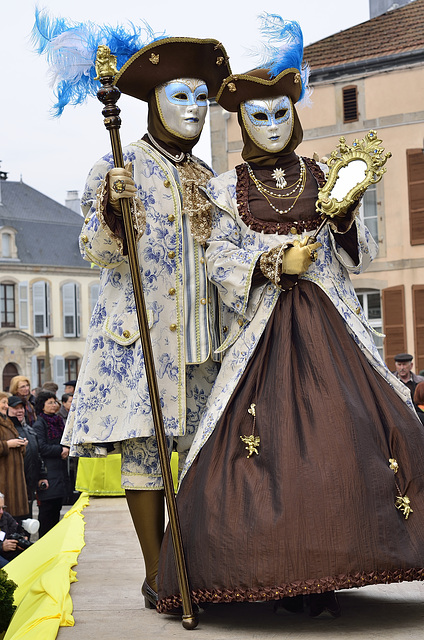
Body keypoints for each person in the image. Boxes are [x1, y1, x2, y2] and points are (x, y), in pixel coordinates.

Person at [157, 16, 424, 618]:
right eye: (259, 117)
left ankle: (329, 571)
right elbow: (216, 260)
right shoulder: (225, 190)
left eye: (281, 114)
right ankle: (279, 575)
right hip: (261, 334)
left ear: (295, 115)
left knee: (356, 437)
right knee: (269, 451)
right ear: (242, 121)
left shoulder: (326, 174)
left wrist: (347, 218)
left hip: (332, 328)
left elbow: (361, 253)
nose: (273, 127)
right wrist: (274, 260)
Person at [61, 35, 231, 606]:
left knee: (208, 450)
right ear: (154, 102)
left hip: (205, 340)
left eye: (203, 98)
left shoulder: (210, 177)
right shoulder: (116, 166)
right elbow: (99, 252)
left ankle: (197, 561)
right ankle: (158, 573)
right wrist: (113, 209)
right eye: (181, 95)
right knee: (146, 454)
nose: (195, 108)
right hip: (141, 342)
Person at [33, 391, 69, 536]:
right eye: (50, 403)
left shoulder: (58, 421)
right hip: (47, 473)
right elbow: (41, 447)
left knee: (56, 512)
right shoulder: (39, 424)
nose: (54, 405)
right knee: (46, 516)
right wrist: (61, 450)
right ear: (42, 406)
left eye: (55, 402)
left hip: (59, 473)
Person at [7, 395, 48, 518]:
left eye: (21, 408)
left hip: (30, 484)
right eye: (15, 408)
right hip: (13, 483)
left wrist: (42, 476)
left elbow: (38, 454)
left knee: (28, 519)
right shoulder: (7, 431)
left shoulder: (29, 429)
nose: (19, 411)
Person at [0, 392, 29, 521]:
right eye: (3, 402)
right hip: (4, 477)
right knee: (6, 513)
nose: (6, 406)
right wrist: (7, 444)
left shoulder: (7, 421)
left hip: (15, 476)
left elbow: (13, 441)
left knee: (16, 519)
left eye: (7, 403)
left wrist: (21, 444)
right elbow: (7, 443)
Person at [0, 493, 29, 568]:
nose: (1, 512)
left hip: (8, 552)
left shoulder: (5, 516)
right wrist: (2, 546)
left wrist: (20, 540)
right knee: (6, 565)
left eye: (3, 508)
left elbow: (16, 529)